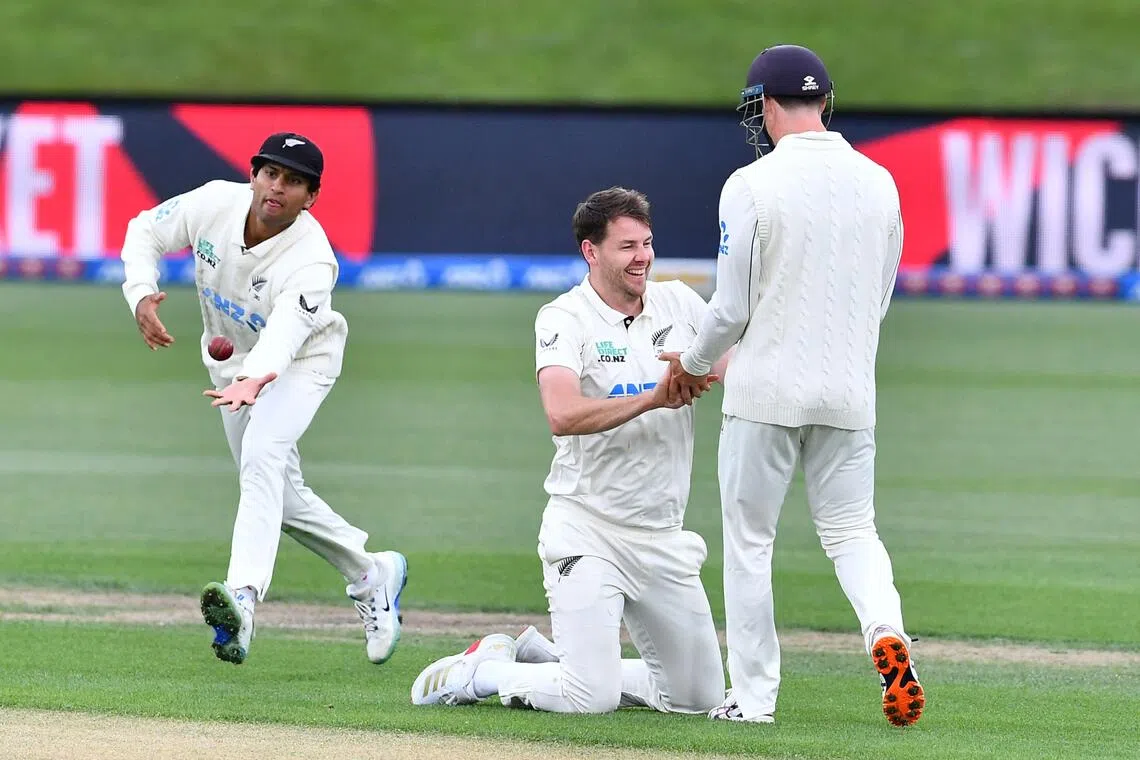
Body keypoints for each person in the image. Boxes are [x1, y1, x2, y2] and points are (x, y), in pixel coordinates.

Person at [659, 45, 925, 727]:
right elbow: (880, 300)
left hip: (765, 393)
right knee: (852, 532)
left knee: (750, 542)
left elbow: (731, 307)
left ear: (768, 106)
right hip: (848, 393)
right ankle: (887, 635)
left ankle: (753, 699)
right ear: (825, 104)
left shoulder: (751, 184)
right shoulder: (881, 181)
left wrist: (691, 363)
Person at [409, 187, 729, 715]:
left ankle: (548, 660)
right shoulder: (563, 318)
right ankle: (480, 672)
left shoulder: (680, 303)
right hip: (588, 529)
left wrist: (706, 370)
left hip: (661, 534)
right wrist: (654, 397)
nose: (642, 257)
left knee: (697, 699)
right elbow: (562, 413)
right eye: (627, 246)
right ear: (591, 251)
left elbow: (732, 365)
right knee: (590, 699)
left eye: (647, 243)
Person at [119, 132, 408, 667]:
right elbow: (143, 230)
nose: (278, 187)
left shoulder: (313, 261)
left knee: (262, 456)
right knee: (282, 495)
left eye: (294, 181)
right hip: (233, 366)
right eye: (270, 173)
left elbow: (286, 336)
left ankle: (244, 600)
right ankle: (371, 573)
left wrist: (257, 376)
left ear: (311, 196)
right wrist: (140, 293)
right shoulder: (213, 202)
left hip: (300, 363)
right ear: (253, 174)